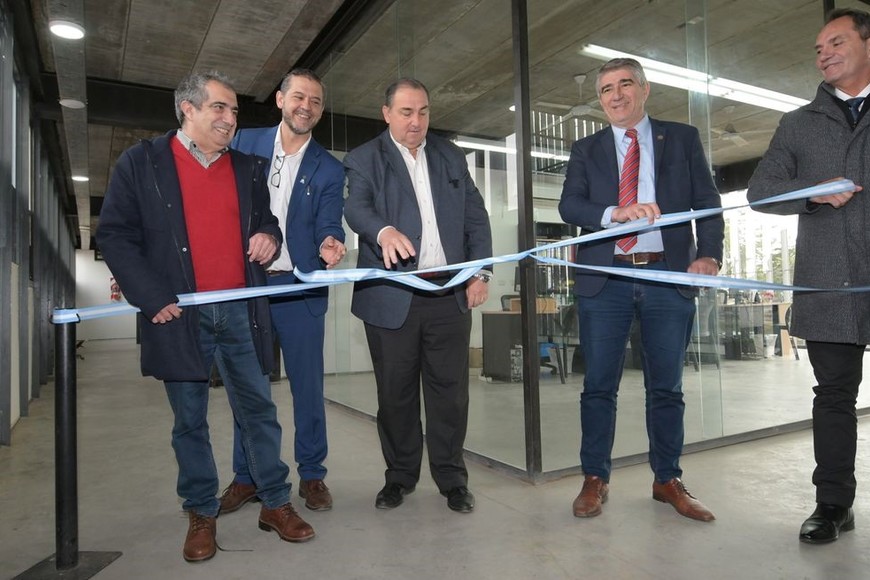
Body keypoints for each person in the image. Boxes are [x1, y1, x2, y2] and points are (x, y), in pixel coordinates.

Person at [96, 71, 314, 563]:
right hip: (176, 316)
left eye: (234, 111)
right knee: (189, 420)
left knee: (258, 409)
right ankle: (200, 512)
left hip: (239, 310)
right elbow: (115, 235)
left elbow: (268, 222)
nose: (230, 119)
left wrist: (267, 236)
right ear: (187, 109)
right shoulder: (141, 163)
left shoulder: (248, 168)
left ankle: (275, 502)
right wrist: (151, 297)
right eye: (219, 108)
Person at [558, 58, 724, 522]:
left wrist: (708, 254)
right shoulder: (586, 148)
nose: (615, 95)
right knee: (598, 387)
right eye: (606, 88)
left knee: (666, 387)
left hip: (665, 277)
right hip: (605, 279)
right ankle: (595, 478)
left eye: (624, 84)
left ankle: (667, 479)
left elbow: (708, 204)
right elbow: (570, 203)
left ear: (645, 89)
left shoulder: (682, 139)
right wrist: (616, 212)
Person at [747, 7, 870, 544]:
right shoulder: (797, 123)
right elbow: (760, 191)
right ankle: (832, 505)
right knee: (834, 396)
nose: (824, 53)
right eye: (819, 48)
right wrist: (812, 192)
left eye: (836, 42)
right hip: (828, 281)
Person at [343, 78, 493, 513]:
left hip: (448, 296)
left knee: (451, 394)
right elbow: (357, 207)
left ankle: (452, 479)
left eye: (423, 111)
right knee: (396, 394)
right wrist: (382, 230)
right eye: (406, 112)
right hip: (392, 297)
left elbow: (476, 219)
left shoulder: (450, 156)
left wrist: (479, 271)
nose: (416, 121)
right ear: (386, 113)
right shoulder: (364, 158)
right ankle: (400, 477)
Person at [220, 68, 345, 514]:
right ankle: (246, 475)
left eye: (314, 101)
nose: (305, 106)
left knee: (307, 388)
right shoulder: (243, 143)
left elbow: (330, 220)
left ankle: (312, 475)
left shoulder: (329, 168)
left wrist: (331, 242)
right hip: (248, 289)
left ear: (320, 110)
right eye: (298, 97)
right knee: (249, 388)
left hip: (299, 290)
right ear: (280, 99)